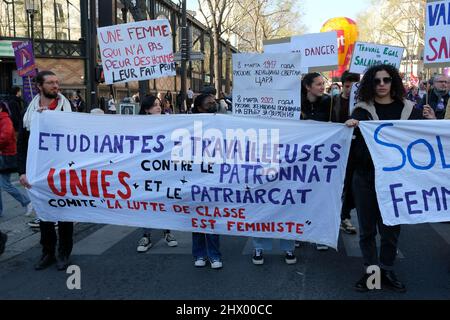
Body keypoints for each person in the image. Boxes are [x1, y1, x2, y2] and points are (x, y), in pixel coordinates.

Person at [345, 64, 436, 293]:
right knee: (366, 230)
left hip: (397, 180)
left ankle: (386, 268)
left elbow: (424, 142)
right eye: (377, 81)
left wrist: (431, 121)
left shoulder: (412, 110)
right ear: (370, 84)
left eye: (386, 80)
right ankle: (371, 273)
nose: (382, 84)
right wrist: (350, 128)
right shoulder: (361, 110)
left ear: (394, 82)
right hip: (365, 178)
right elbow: (349, 145)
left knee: (390, 229)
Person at [18, 70, 74, 271]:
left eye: (57, 82)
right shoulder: (29, 112)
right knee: (44, 212)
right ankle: (47, 252)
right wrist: (22, 171)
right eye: (50, 83)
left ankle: (64, 252)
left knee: (66, 211)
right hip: (38, 171)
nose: (55, 86)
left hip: (63, 170)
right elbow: (22, 144)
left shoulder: (68, 110)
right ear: (39, 86)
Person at [136, 95, 178, 252]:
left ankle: (167, 232)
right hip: (145, 169)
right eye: (154, 105)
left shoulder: (169, 121)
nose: (158, 107)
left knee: (164, 200)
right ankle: (146, 236)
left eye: (159, 104)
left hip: (164, 168)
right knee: (147, 202)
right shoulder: (138, 125)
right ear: (146, 109)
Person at [300, 72, 333, 250]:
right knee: (299, 195)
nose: (323, 87)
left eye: (323, 84)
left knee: (319, 196)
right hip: (298, 158)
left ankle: (319, 235)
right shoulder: (294, 103)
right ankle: (298, 231)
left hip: (321, 158)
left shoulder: (329, 102)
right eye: (319, 84)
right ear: (308, 87)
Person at [191, 94, 222, 269]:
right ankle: (199, 254)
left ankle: (214, 255)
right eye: (209, 103)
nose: (214, 105)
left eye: (214, 102)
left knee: (211, 217)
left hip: (214, 174)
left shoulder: (223, 121)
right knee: (197, 218)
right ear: (199, 107)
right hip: (195, 175)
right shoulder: (189, 124)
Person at [332, 71, 361, 235]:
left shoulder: (363, 104)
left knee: (351, 184)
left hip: (355, 150)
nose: (351, 90)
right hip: (336, 149)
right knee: (336, 183)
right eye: (348, 86)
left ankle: (344, 215)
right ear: (343, 85)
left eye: (355, 86)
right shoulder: (333, 101)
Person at [0, 102, 33, 218]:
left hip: (6, 156)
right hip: (4, 155)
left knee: (5, 184)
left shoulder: (5, 119)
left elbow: (6, 135)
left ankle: (27, 201)